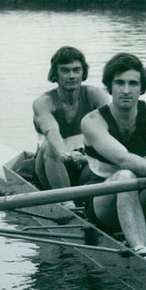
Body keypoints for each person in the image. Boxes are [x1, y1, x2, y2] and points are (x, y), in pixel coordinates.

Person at [81, 53, 146, 255]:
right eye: (119, 83)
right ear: (110, 86)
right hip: (102, 199)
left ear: (142, 87)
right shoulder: (92, 121)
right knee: (130, 175)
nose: (126, 90)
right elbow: (123, 159)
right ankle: (140, 248)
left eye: (133, 83)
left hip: (140, 194)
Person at [32, 46, 109, 190]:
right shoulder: (43, 103)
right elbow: (51, 131)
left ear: (83, 73)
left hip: (84, 163)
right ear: (56, 74)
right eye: (65, 70)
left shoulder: (95, 96)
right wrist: (65, 155)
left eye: (76, 70)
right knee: (49, 146)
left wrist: (84, 159)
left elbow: (114, 130)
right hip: (51, 165)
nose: (72, 75)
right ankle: (67, 205)